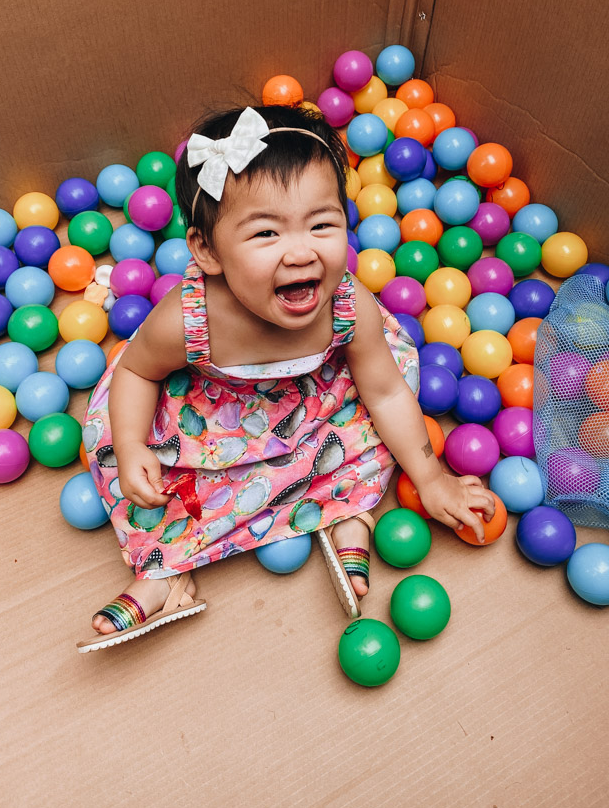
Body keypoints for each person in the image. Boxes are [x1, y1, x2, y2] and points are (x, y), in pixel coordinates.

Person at [77, 104, 494, 653]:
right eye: (266, 232)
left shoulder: (347, 306)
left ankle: (350, 513)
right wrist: (132, 445)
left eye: (322, 224)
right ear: (207, 250)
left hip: (319, 403)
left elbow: (387, 391)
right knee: (145, 475)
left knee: (374, 431)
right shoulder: (188, 318)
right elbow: (136, 371)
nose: (301, 251)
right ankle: (165, 572)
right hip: (215, 418)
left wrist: (433, 477)